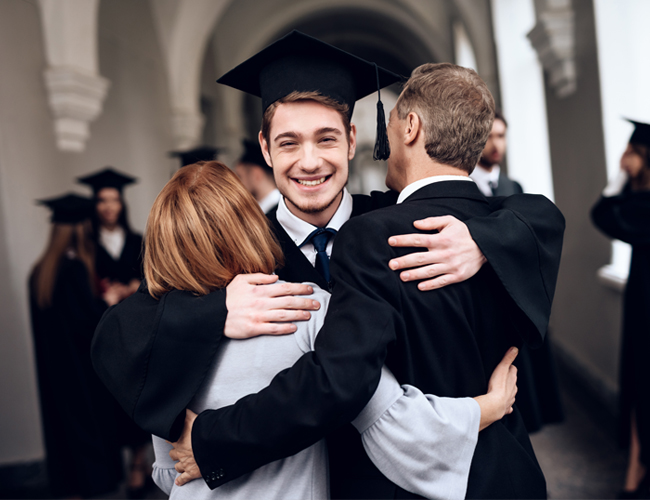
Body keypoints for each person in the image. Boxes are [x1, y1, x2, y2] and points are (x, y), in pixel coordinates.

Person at [91, 31, 564, 497]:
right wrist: (216, 312)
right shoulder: (240, 249)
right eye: (290, 143)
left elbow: (535, 213)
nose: (310, 162)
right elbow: (119, 334)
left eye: (326, 139)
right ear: (264, 147)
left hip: (410, 479)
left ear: (353, 138)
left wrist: (481, 238)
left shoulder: (393, 221)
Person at [141, 160, 519, 499]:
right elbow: (396, 424)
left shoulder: (158, 343)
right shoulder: (306, 309)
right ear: (249, 223)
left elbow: (166, 471)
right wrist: (488, 407)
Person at [471, 110, 565, 433]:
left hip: (516, 296)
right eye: (490, 137)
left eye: (501, 136)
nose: (497, 144)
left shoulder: (514, 186)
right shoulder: (467, 190)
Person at [29, 193, 123, 498]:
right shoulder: (74, 270)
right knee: (89, 432)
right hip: (82, 373)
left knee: (64, 432)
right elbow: (88, 324)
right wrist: (106, 302)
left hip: (55, 372)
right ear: (82, 227)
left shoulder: (40, 273)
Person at [592, 119, 650, 499]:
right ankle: (637, 463)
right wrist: (619, 180)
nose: (624, 157)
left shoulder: (642, 205)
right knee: (640, 376)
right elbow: (604, 217)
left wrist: (617, 184)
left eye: (630, 152)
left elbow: (604, 216)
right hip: (642, 296)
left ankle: (637, 467)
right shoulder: (637, 200)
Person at [470, 110, 523, 197]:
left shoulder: (514, 188)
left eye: (500, 136)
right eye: (488, 137)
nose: (495, 144)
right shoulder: (463, 187)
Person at [235, 138, 281, 213]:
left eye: (240, 176)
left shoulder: (281, 213)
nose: (236, 183)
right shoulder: (262, 211)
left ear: (256, 175)